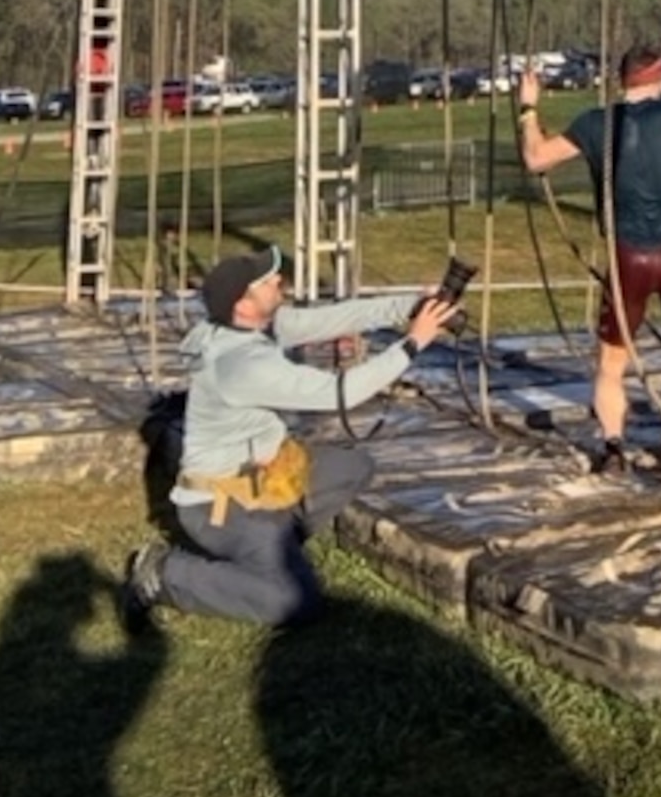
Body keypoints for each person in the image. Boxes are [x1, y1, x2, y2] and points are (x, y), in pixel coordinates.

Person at [119, 244, 458, 633]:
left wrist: (414, 305)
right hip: (221, 506)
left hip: (262, 480)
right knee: (297, 603)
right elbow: (341, 393)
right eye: (266, 281)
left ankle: (275, 546)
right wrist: (413, 343)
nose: (278, 280)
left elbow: (340, 317)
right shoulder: (242, 365)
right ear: (243, 306)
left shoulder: (247, 327)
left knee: (351, 466)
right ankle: (166, 572)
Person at [516, 45, 661, 472]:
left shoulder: (597, 124)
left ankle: (612, 448)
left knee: (611, 361)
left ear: (623, 80)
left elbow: (536, 158)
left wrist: (528, 110)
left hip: (628, 257)